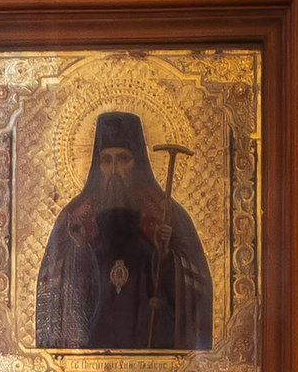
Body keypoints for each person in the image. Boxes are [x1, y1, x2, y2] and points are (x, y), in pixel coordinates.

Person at [33, 111, 214, 352]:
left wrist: (167, 256)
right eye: (106, 160)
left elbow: (198, 286)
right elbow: (51, 285)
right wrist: (79, 250)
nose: (114, 169)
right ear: (97, 165)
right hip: (90, 353)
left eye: (123, 158)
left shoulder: (167, 214)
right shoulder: (75, 216)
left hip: (153, 349)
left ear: (138, 163)